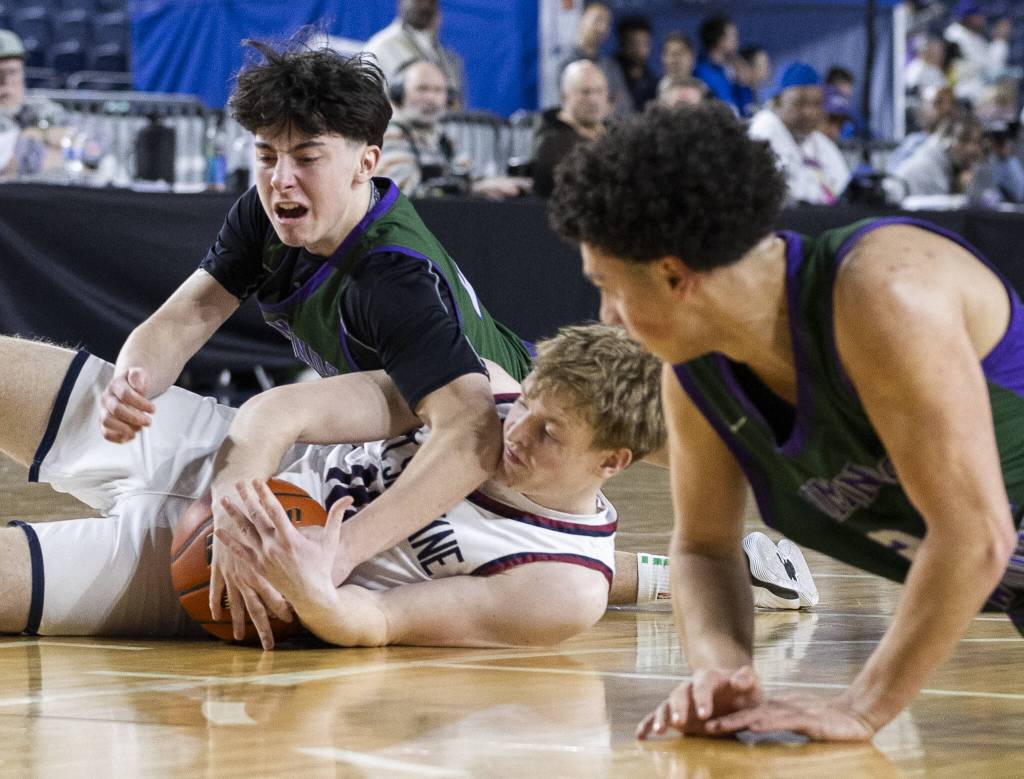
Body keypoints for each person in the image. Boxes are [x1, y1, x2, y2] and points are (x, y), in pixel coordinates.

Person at [549, 102, 1024, 742]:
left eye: (607, 285)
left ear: (672, 275)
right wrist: (720, 666)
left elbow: (976, 534)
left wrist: (861, 708)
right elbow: (702, 549)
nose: (606, 315)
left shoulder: (882, 292)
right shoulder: (695, 376)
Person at [98, 40, 536, 647]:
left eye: (306, 157)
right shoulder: (264, 212)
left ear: (366, 162)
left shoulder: (392, 277)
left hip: (507, 430)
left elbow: (472, 434)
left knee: (537, 567)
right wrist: (133, 379)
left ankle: (656, 571)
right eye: (266, 155)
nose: (281, 180)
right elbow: (189, 313)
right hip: (411, 425)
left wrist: (339, 552)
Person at [0, 326, 815, 646]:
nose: (516, 429)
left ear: (613, 462)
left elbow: (376, 620)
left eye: (547, 432)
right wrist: (240, 493)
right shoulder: (480, 389)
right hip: (201, 450)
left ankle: (717, 576)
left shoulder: (563, 586)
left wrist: (303, 579)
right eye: (526, 402)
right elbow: (283, 407)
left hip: (197, 576)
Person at [377, 60, 530, 199]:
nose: (431, 98)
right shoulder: (390, 134)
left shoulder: (442, 139)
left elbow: (469, 174)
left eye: (438, 90)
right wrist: (474, 189)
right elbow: (404, 193)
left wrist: (502, 183)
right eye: (422, 89)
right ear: (398, 94)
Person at [748, 62, 850, 205]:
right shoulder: (763, 130)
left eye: (816, 104)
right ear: (777, 102)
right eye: (800, 103)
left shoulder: (814, 138)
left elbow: (841, 180)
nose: (809, 112)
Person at [531, 60, 611, 198]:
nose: (593, 99)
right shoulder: (550, 140)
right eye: (585, 92)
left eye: (599, 91)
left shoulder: (615, 131)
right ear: (564, 96)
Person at [364, 0, 465, 107]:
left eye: (430, 2)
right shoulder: (379, 48)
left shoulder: (448, 58)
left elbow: (456, 103)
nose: (424, 5)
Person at [0, 29, 68, 179]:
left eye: (12, 72)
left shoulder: (38, 107)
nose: (5, 82)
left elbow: (70, 135)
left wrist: (39, 134)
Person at [556, 1, 632, 117]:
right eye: (598, 20)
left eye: (607, 23)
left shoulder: (611, 67)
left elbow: (624, 108)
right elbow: (567, 109)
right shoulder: (565, 66)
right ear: (582, 19)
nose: (602, 28)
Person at [891, 113, 984, 198]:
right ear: (946, 140)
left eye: (977, 142)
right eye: (964, 140)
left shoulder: (950, 165)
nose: (972, 149)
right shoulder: (927, 167)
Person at [944, 1, 1013, 104]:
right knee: (1003, 91)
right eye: (977, 16)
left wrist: (999, 41)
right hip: (963, 87)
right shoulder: (956, 34)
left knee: (1008, 85)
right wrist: (1000, 40)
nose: (981, 18)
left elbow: (992, 66)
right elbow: (990, 66)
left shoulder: (974, 36)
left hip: (977, 84)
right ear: (966, 18)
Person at [693, 14, 740, 113]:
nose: (736, 41)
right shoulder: (700, 73)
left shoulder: (728, 71)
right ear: (720, 40)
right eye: (732, 36)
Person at [614, 15, 657, 112]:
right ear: (622, 44)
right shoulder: (608, 73)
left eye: (645, 43)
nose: (640, 50)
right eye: (634, 43)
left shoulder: (653, 81)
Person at [733, 44, 771, 118]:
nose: (767, 69)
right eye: (763, 65)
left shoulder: (752, 93)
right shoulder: (737, 95)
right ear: (747, 66)